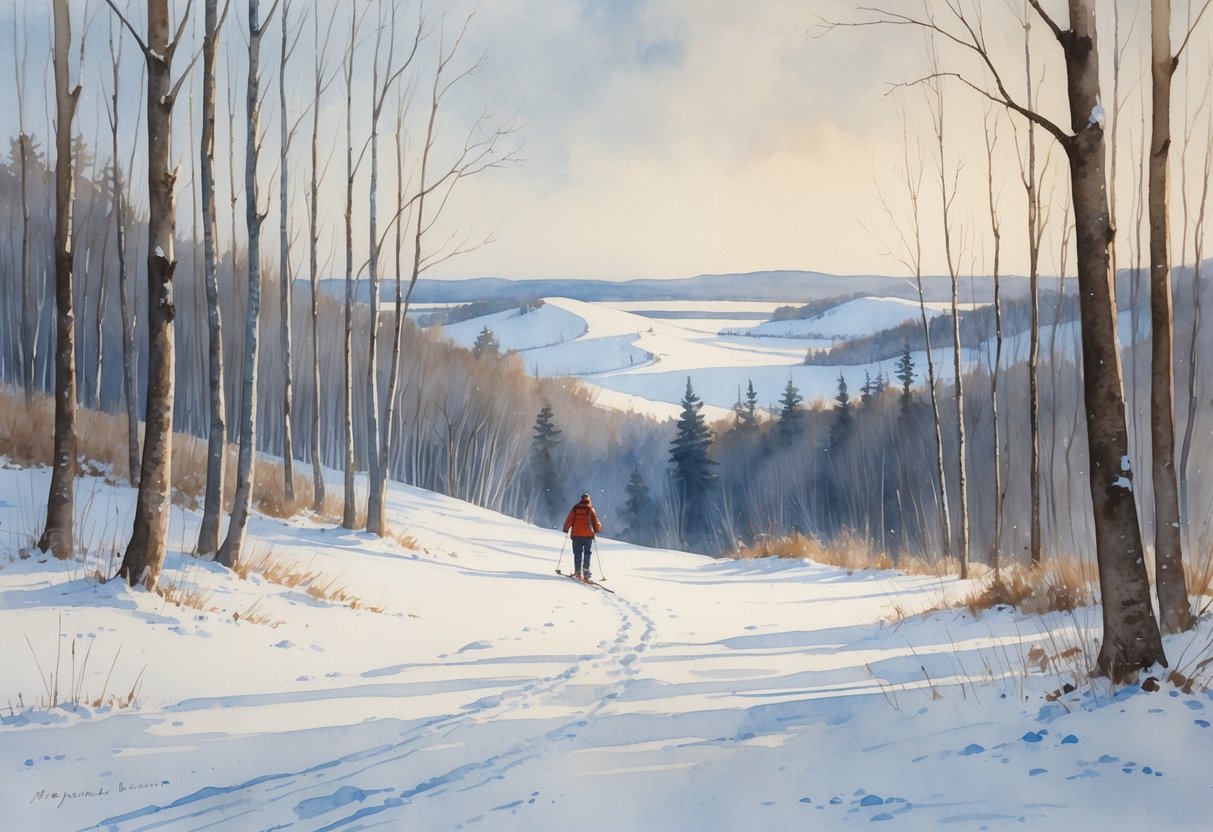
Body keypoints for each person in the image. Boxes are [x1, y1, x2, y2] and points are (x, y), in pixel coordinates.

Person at [562, 492, 602, 582]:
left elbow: (570, 518)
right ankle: (586, 572)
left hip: (576, 535)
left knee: (577, 553)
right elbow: (596, 521)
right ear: (589, 500)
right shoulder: (590, 509)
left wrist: (566, 528)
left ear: (581, 499)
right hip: (588, 536)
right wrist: (597, 529)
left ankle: (577, 572)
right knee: (587, 553)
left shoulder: (575, 508)